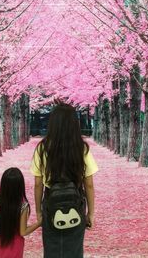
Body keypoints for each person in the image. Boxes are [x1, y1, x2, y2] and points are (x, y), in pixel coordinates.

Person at [31, 103, 98, 258]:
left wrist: (39, 212)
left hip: (50, 203)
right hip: (76, 202)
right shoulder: (82, 148)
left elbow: (37, 184)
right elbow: (89, 184)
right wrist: (91, 213)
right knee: (74, 249)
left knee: (52, 248)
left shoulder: (42, 148)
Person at [0, 167, 42, 258]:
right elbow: (23, 231)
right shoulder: (23, 206)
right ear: (20, 186)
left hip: (0, 243)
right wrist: (39, 223)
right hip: (15, 246)